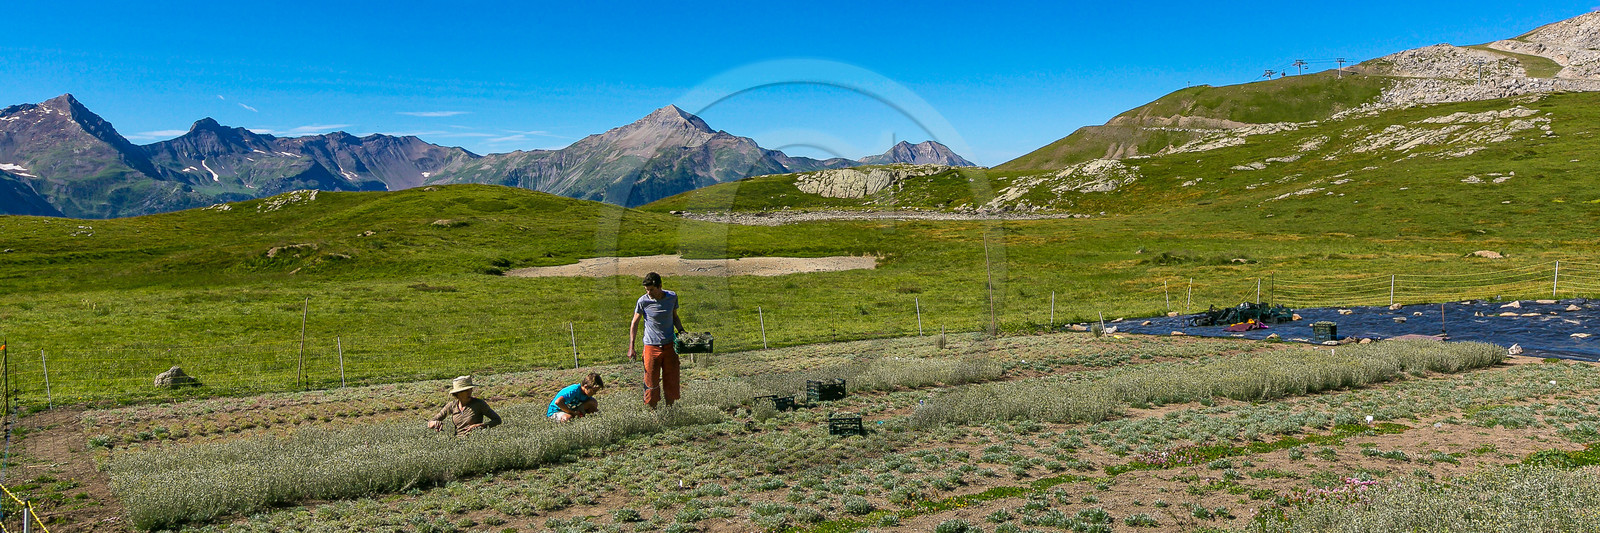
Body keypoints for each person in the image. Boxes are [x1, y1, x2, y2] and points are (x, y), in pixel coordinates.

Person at [627, 271, 686, 408]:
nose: (649, 293)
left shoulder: (672, 297)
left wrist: (681, 330)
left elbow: (674, 316)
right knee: (651, 381)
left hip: (670, 346)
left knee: (671, 379)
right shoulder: (643, 301)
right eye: (647, 290)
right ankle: (652, 410)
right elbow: (634, 323)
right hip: (651, 347)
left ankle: (669, 409)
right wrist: (632, 347)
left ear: (660, 286)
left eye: (651, 289)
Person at [427, 375, 501, 435]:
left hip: (475, 441)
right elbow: (431, 422)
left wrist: (481, 426)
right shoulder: (452, 406)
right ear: (457, 393)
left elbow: (497, 420)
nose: (469, 392)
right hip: (458, 442)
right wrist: (435, 423)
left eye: (470, 389)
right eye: (466, 390)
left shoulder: (479, 404)